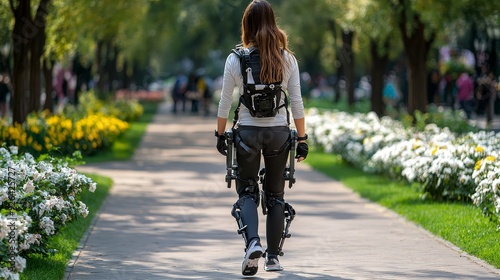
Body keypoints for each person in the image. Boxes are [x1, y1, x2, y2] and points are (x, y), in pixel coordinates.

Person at [214, 0, 308, 276]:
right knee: (276, 195)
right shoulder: (287, 58)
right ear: (273, 22)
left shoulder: (236, 59)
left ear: (246, 25)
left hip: (247, 134)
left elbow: (224, 103)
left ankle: (252, 243)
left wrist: (220, 135)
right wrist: (302, 138)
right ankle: (273, 257)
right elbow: (297, 102)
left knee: (247, 192)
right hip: (279, 134)